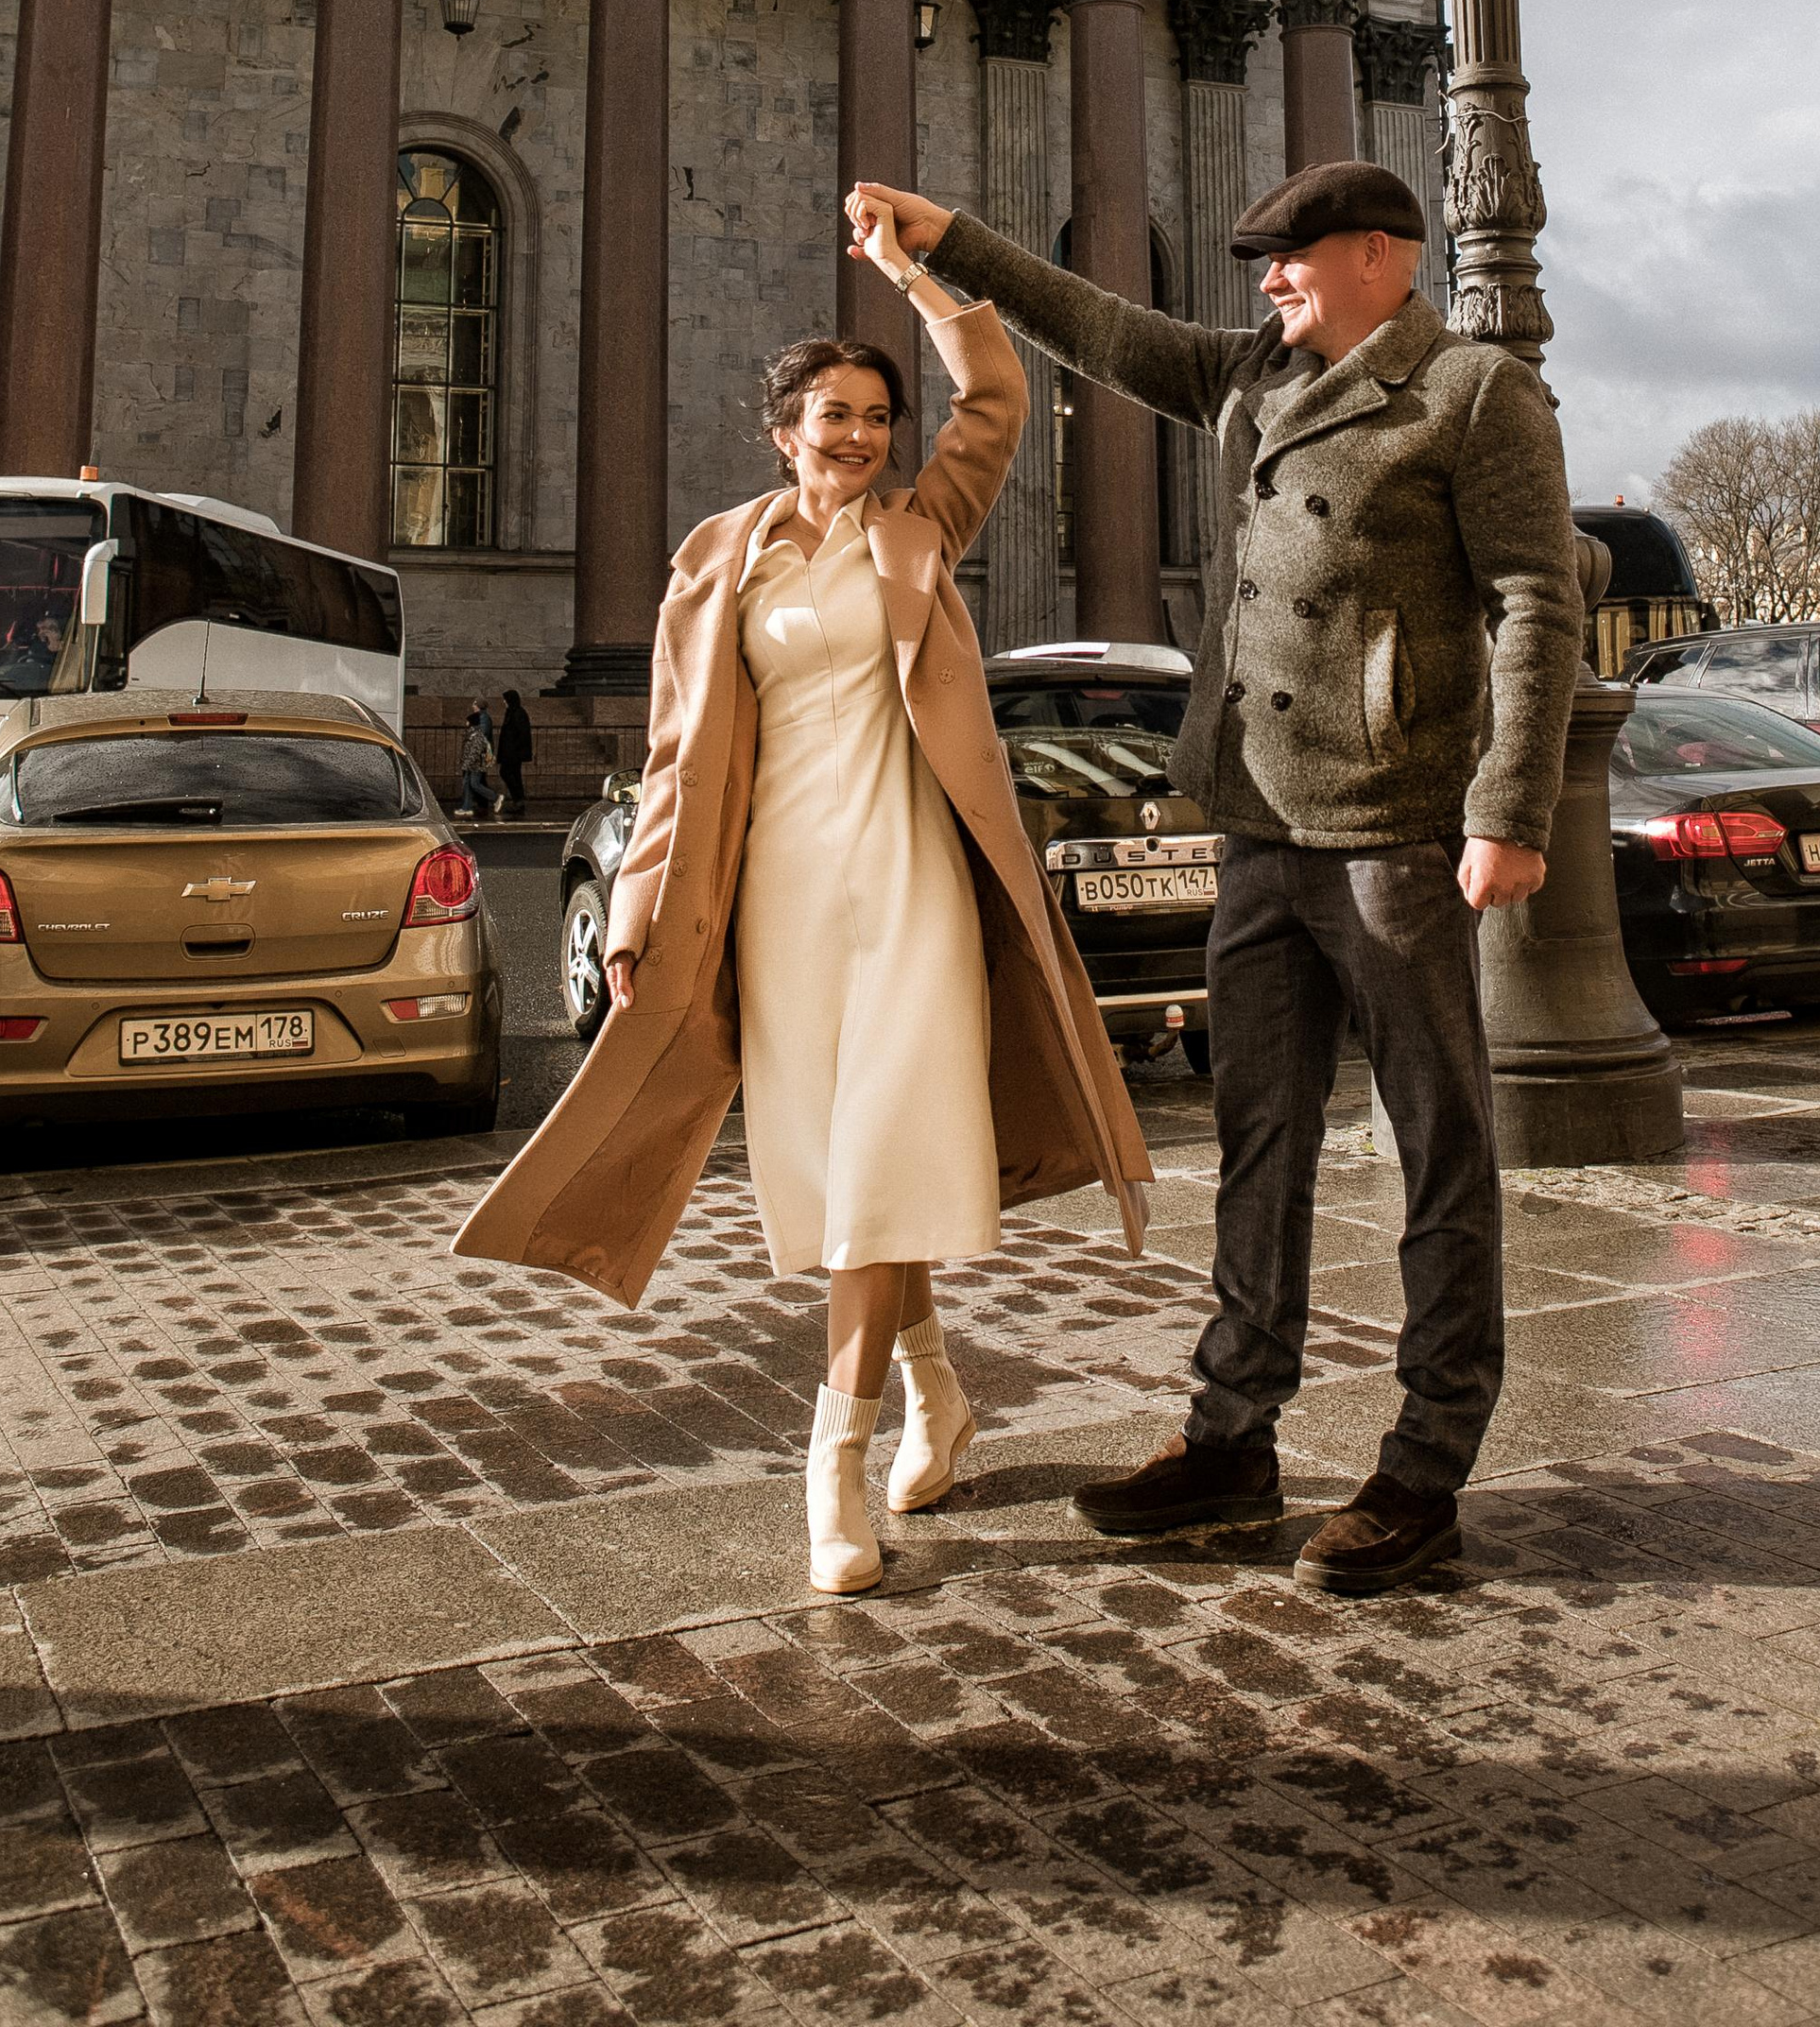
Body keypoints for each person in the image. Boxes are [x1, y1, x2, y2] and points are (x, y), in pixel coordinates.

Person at [846, 161, 1584, 1600]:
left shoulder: (1475, 393)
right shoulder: (1255, 373)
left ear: (1382, 256)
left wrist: (1510, 806)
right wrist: (959, 244)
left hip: (1390, 831)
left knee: (1438, 1146)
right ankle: (1231, 1436)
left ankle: (1427, 1466)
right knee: (1260, 1143)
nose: (1268, 282)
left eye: (1293, 259)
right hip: (1256, 824)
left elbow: (1539, 597)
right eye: (1262, 264)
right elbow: (1111, 333)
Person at [453, 207, 1152, 1597]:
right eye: (832, 415)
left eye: (878, 417)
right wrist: (642, 902)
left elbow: (998, 393)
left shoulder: (921, 528)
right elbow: (672, 749)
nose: (858, 438)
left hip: (910, 885)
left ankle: (834, 1460)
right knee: (842, 1182)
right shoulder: (720, 560)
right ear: (783, 430)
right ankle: (942, 1395)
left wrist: (913, 277)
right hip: (776, 893)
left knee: (881, 1167)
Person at [456, 699, 498, 819]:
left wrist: (467, 762)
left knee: (474, 783)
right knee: (468, 783)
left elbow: (477, 745)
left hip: (476, 761)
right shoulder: (475, 728)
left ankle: (494, 797)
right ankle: (466, 807)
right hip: (473, 760)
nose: (472, 705)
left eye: (474, 704)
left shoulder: (481, 723)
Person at [495, 690, 534, 816]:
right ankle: (518, 800)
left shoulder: (517, 713)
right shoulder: (512, 712)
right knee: (514, 775)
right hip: (510, 752)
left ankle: (518, 800)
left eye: (506, 699)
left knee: (507, 773)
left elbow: (521, 734)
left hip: (513, 752)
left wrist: (515, 749)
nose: (504, 702)